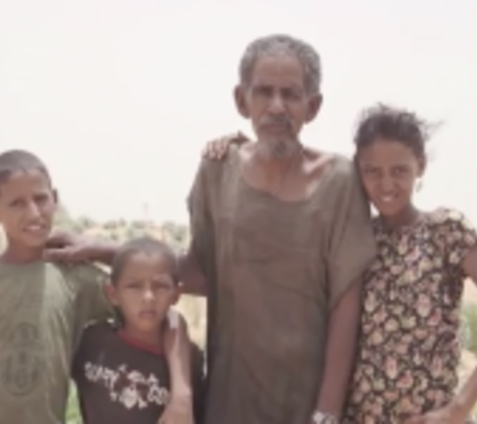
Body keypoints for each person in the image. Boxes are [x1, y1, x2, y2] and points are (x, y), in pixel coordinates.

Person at [46, 34, 377, 424]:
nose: (276, 106)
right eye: (264, 92)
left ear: (313, 106)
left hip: (306, 400)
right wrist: (98, 249)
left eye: (291, 94)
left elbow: (346, 302)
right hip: (229, 397)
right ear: (241, 100)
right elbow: (197, 273)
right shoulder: (218, 171)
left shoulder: (339, 183)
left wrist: (327, 411)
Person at [202, 104, 477, 424]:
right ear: (357, 171)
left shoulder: (444, 231)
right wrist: (242, 148)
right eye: (372, 172)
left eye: (399, 171)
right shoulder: (356, 237)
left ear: (420, 165)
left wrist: (460, 407)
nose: (386, 184)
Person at [0, 150, 194, 424]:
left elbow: (164, 312)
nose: (33, 213)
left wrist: (181, 394)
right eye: (17, 203)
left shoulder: (75, 279)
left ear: (54, 199)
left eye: (40, 199)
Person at [72, 236, 205, 424]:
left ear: (176, 294)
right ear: (113, 293)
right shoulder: (91, 341)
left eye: (160, 286)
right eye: (134, 286)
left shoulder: (188, 362)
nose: (148, 297)